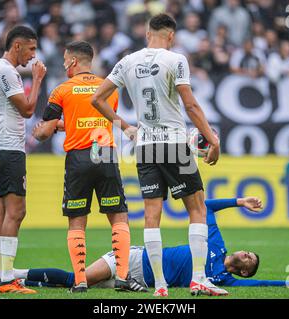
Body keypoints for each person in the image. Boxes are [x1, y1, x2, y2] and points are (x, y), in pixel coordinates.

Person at [92, 13, 221, 297]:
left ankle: (160, 285)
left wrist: (125, 127)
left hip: (146, 146)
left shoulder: (127, 61)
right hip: (175, 144)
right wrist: (212, 139)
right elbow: (191, 106)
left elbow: (97, 99)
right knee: (197, 208)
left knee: (152, 215)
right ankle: (198, 279)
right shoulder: (176, 60)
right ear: (171, 36)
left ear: (148, 33)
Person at [0, 197, 289, 290]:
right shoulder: (216, 246)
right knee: (76, 279)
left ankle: (21, 278)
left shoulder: (222, 279)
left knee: (74, 285)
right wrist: (239, 202)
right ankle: (13, 272)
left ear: (245, 269)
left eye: (249, 260)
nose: (246, 254)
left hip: (137, 284)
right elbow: (206, 207)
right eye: (249, 252)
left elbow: (262, 285)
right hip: (134, 262)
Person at [32, 41, 147, 294]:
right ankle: (123, 277)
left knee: (77, 222)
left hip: (78, 158)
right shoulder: (109, 88)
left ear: (73, 61)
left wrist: (42, 130)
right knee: (118, 217)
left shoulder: (61, 90)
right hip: (104, 154)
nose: (64, 65)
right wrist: (69, 124)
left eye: (65, 60)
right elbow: (99, 118)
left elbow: (45, 132)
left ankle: (81, 281)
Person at [0, 25, 47, 294]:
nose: (33, 56)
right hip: (8, 149)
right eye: (31, 48)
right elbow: (28, 110)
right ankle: (6, 279)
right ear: (17, 46)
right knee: (17, 212)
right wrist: (37, 79)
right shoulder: (8, 71)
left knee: (3, 212)